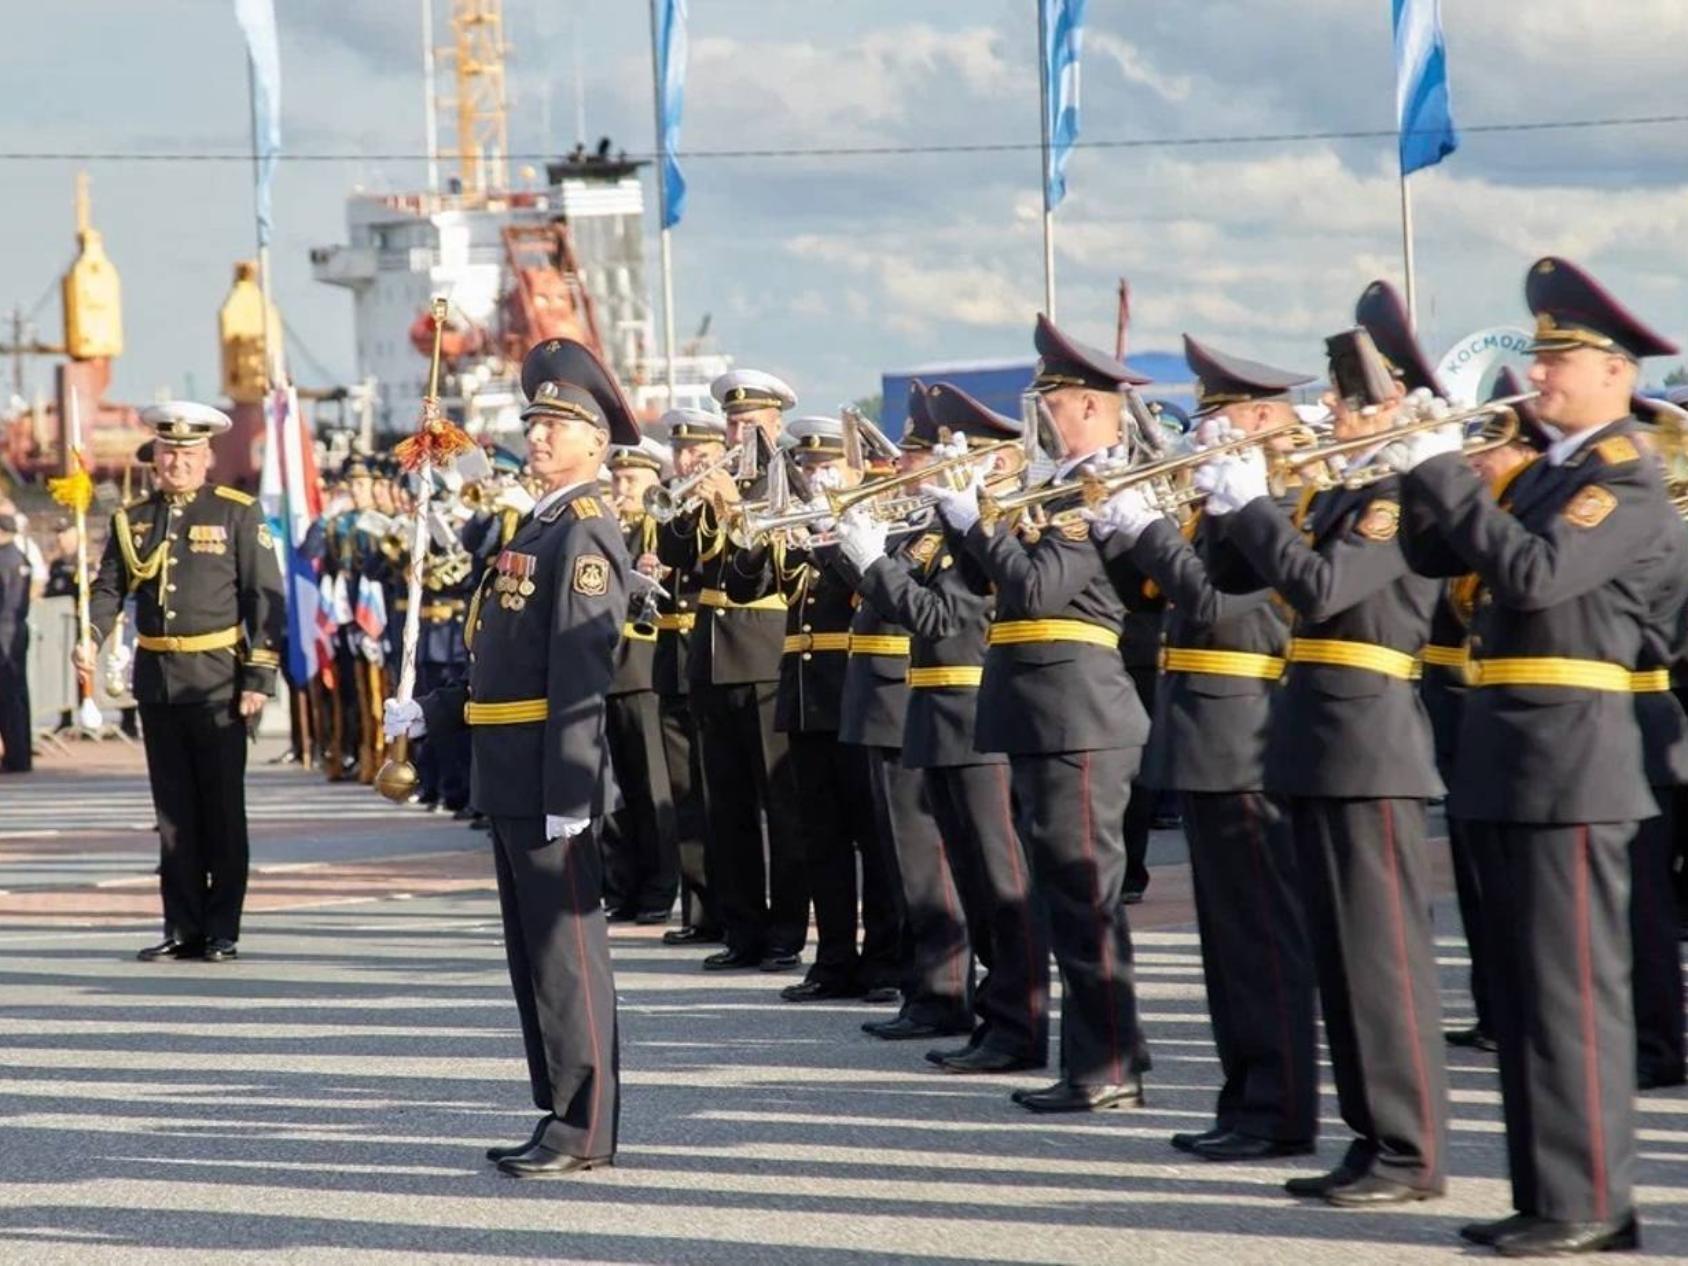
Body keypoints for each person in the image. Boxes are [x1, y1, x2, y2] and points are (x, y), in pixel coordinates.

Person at [1389, 256, 1681, 1255]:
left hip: (1570, 763)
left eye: (1559, 359)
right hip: (1511, 754)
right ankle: (1545, 1192)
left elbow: (1532, 575)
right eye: (1540, 357)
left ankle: (1594, 1203)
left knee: (1570, 999)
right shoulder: (1549, 472)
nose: (1539, 374)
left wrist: (1440, 472)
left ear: (1614, 373)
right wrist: (1421, 469)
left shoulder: (1624, 481)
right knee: (1522, 995)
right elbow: (1436, 559)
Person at [1194, 283, 1449, 1207]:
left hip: (1370, 738)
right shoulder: (1340, 492)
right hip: (1318, 738)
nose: (1327, 415)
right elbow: (1233, 577)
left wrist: (1258, 502)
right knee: (1345, 960)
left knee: (1384, 963)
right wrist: (1228, 502)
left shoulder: (1396, 499)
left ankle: (1409, 1148)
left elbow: (1320, 590)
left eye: (1348, 400)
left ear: (1400, 406)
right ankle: (1370, 1137)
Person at [387, 337, 635, 1178]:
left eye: (555, 425)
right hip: (511, 767)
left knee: (568, 957)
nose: (536, 436)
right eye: (534, 422)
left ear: (596, 443)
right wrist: (430, 711)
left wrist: (572, 782)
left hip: (545, 775)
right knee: (535, 957)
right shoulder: (540, 525)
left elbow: (579, 671)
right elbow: (506, 663)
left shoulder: (586, 534)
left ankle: (587, 1123)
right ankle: (560, 1112)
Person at [1091, 335, 1320, 1162]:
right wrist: (1127, 529)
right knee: (1227, 942)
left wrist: (1154, 530)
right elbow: (1156, 600)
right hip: (1201, 726)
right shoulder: (1228, 500)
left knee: (1263, 934)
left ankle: (1279, 1106)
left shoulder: (1288, 498)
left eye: (1217, 415)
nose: (1204, 431)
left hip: (1250, 724)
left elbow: (1226, 611)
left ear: (1260, 419)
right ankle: (1245, 1099)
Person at [924, 315, 1155, 1114]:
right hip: (1041, 711)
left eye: (1051, 400)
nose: (1041, 415)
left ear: (1088, 406)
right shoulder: (1060, 484)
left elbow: (1033, 588)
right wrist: (958, 523)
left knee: (1086, 896)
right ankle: (1107, 1052)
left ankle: (1109, 1064)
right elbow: (994, 583)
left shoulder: (1103, 485)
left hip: (1079, 714)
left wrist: (975, 522)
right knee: (1066, 897)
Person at [842, 381, 1051, 1072]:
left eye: (956, 450)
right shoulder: (946, 529)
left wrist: (873, 561)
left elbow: (941, 619)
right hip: (935, 710)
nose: (939, 462)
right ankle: (991, 1017)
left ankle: (1018, 1022)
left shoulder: (992, 528)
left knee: (1000, 880)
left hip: (975, 712)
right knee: (966, 874)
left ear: (994, 459)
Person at [83, 402, 285, 961]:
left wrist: (259, 678)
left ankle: (223, 927)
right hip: (158, 683)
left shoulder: (236, 514)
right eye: (169, 452)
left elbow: (265, 602)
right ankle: (182, 925)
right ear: (156, 458)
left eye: (188, 454)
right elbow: (108, 589)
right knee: (172, 813)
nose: (177, 463)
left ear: (207, 458)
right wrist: (91, 634)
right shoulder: (134, 520)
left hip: (220, 680)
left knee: (221, 808)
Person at [728, 415, 902, 1000]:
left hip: (854, 691)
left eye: (826, 466)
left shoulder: (870, 524)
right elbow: (744, 589)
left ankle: (884, 960)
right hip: (803, 697)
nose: (815, 477)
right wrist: (754, 538)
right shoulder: (803, 528)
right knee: (819, 837)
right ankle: (832, 959)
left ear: (852, 470)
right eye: (807, 468)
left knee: (873, 837)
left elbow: (869, 587)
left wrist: (829, 534)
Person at [657, 369, 807, 972]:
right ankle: (741, 928)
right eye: (732, 422)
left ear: (775, 424)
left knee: (782, 805)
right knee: (726, 805)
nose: (738, 430)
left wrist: (734, 507)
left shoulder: (787, 480)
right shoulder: (711, 482)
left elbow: (776, 569)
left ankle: (785, 933)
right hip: (710, 658)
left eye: (749, 421)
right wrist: (693, 501)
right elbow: (675, 558)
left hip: (767, 650)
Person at [848, 384, 976, 1039]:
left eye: (915, 454)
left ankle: (946, 991)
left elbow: (930, 615)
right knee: (907, 858)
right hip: (903, 700)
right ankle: (925, 985)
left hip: (929, 698)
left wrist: (870, 557)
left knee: (930, 861)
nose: (902, 466)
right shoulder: (916, 529)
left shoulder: (948, 533)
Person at [652, 409, 724, 945]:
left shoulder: (738, 493)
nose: (686, 460)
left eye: (697, 452)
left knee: (727, 795)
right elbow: (673, 553)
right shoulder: (676, 501)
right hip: (679, 656)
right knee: (687, 794)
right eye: (680, 452)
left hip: (726, 649)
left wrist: (720, 502)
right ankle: (700, 911)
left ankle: (747, 913)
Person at [601, 437, 681, 924]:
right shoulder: (609, 526)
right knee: (615, 790)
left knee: (652, 787)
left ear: (654, 479)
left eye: (631, 479)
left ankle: (658, 886)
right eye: (616, 478)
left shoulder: (659, 524)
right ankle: (621, 886)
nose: (621, 486)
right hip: (608, 666)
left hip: (644, 663)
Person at [0, 513, 33, 772]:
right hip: (18, 627)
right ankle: (20, 752)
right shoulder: (20, 557)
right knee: (18, 694)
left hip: (4, 630)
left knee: (7, 696)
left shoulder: (4, 558)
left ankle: (15, 756)